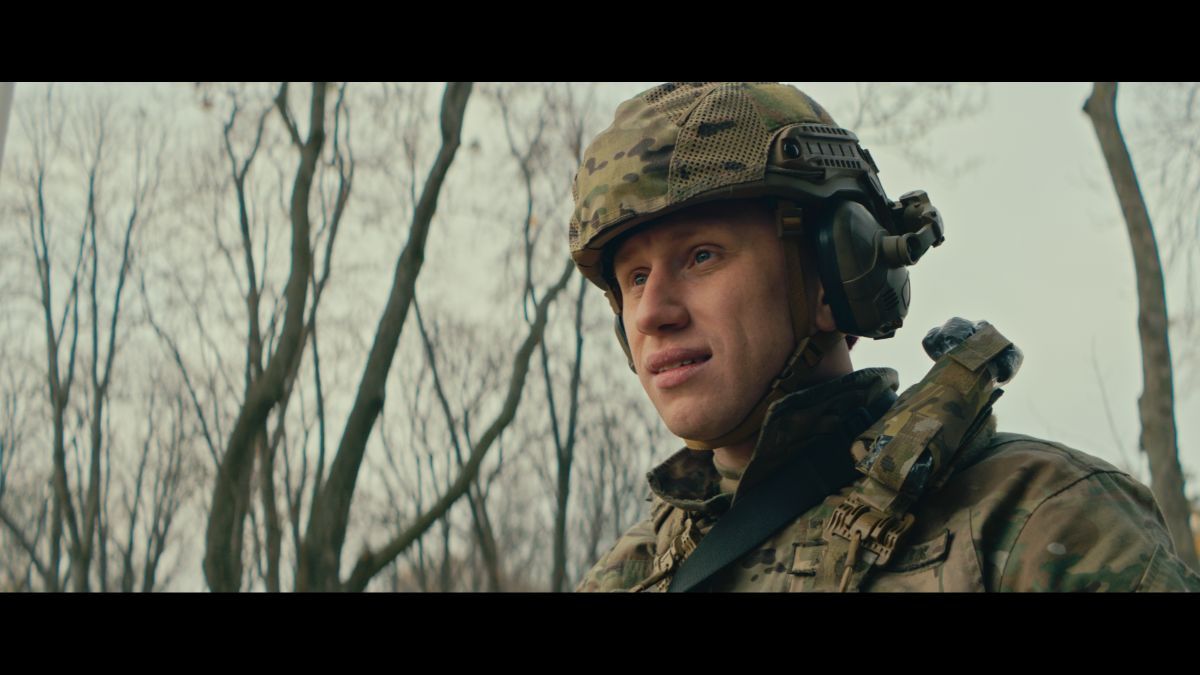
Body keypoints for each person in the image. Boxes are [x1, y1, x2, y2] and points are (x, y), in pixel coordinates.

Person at [568, 82, 1200, 592]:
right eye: (635, 278)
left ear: (835, 273)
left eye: (701, 256)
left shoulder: (1036, 521)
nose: (651, 313)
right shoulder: (632, 572)